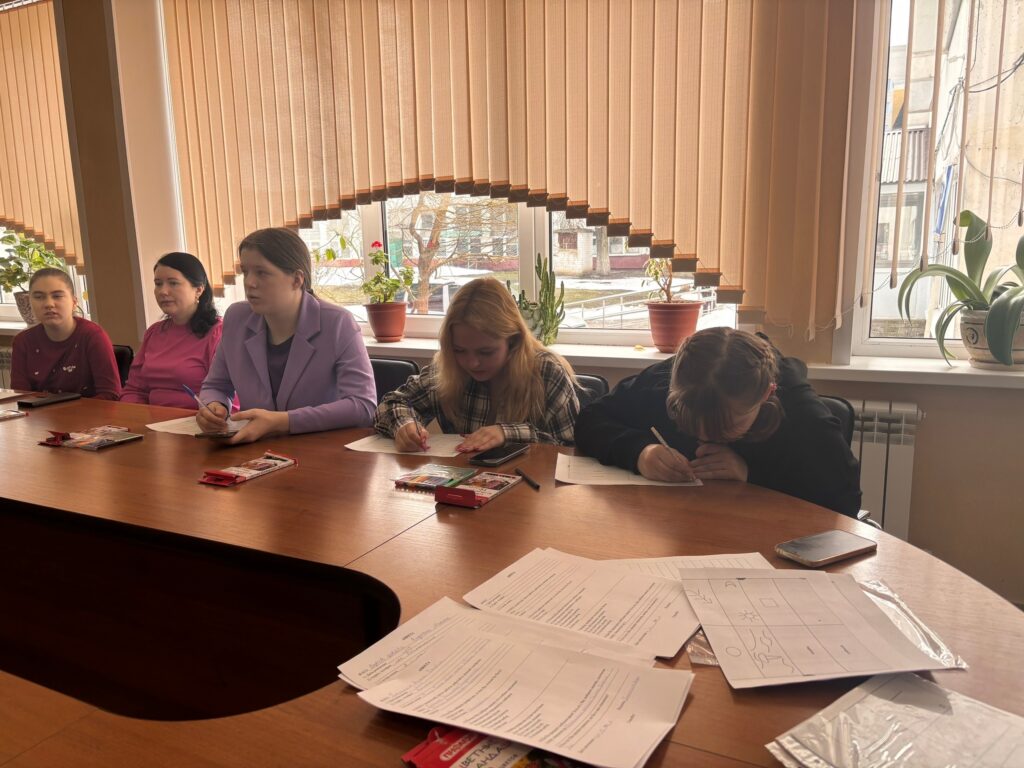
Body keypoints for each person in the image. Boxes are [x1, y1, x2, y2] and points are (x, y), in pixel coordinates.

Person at [574, 327, 862, 517]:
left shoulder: (801, 412)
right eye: (686, 421)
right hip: (679, 528)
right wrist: (640, 452)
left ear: (766, 395)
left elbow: (844, 500)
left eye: (727, 429)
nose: (705, 439)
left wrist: (752, 474)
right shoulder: (672, 380)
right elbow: (590, 420)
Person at [198, 227, 376, 443]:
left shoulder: (338, 322)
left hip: (320, 448)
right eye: (245, 271)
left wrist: (284, 421)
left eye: (262, 273)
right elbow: (216, 386)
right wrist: (214, 406)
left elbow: (362, 405)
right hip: (253, 449)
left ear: (297, 279)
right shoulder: (237, 318)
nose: (249, 282)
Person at [374, 277, 579, 452]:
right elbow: (392, 403)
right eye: (459, 350)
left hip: (533, 485)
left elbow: (571, 448)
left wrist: (507, 433)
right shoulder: (450, 367)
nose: (472, 363)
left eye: (486, 352)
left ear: (513, 341)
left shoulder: (547, 372)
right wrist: (405, 425)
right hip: (464, 481)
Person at [121, 252, 223, 408]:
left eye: (173, 283)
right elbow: (134, 389)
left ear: (198, 290)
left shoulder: (218, 333)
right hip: (151, 419)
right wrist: (135, 414)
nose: (163, 291)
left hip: (198, 419)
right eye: (158, 284)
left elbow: (226, 394)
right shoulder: (154, 332)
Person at [11, 268, 121, 400]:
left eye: (57, 296)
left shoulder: (93, 336)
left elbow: (110, 394)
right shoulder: (23, 341)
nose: (48, 304)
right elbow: (19, 395)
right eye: (39, 297)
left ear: (74, 302)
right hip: (37, 412)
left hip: (88, 412)